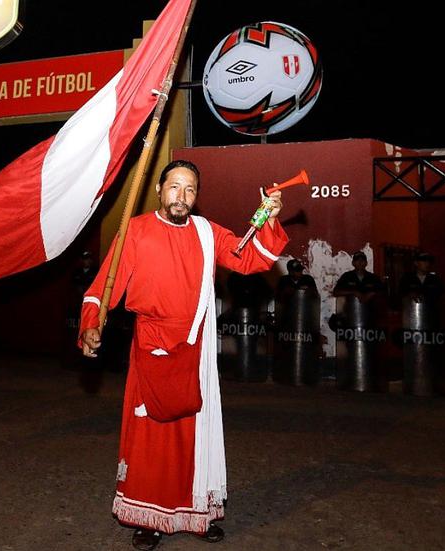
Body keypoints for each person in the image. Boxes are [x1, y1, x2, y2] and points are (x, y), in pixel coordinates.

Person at [79, 160, 288, 550]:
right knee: (154, 437)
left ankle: (196, 511)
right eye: (174, 187)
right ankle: (151, 517)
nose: (182, 196)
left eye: (190, 189)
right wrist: (92, 324)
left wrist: (269, 219)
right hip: (152, 344)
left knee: (196, 434)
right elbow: (101, 289)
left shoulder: (208, 233)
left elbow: (250, 258)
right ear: (159, 189)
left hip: (197, 346)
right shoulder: (136, 231)